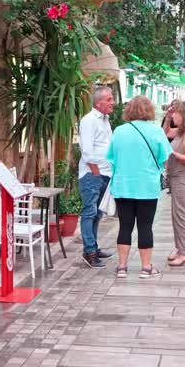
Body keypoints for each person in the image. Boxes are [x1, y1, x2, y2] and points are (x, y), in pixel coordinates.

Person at [106, 95, 170, 279]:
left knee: (124, 226)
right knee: (145, 226)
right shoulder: (156, 131)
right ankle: (146, 267)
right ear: (149, 110)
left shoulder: (119, 131)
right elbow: (165, 158)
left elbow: (111, 157)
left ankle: (122, 267)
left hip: (123, 185)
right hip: (147, 187)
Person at [76, 85, 116, 268]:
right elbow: (86, 150)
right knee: (89, 212)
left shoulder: (105, 120)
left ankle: (93, 247)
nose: (112, 103)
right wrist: (96, 172)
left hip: (104, 173)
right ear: (98, 102)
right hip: (93, 174)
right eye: (109, 99)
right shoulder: (89, 120)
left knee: (97, 214)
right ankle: (89, 252)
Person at [162, 101, 185, 268]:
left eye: (176, 113)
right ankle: (180, 249)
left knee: (181, 217)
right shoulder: (180, 132)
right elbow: (165, 133)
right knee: (176, 216)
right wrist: (167, 117)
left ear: (184, 115)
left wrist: (171, 153)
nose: (174, 116)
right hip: (177, 178)